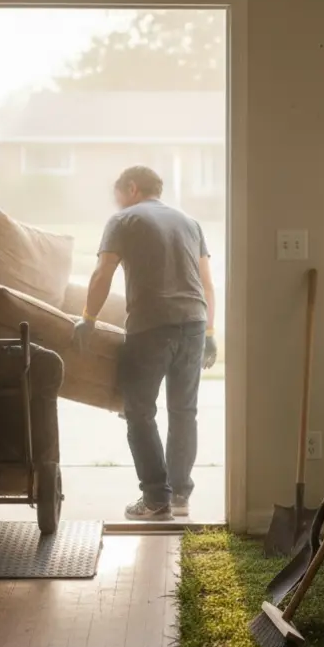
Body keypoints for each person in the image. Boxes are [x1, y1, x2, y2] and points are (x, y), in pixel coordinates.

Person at [73, 166, 218, 521]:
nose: (117, 201)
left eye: (118, 193)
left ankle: (155, 498)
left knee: (139, 412)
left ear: (132, 188)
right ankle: (180, 493)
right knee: (184, 411)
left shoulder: (123, 220)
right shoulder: (189, 222)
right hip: (195, 322)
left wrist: (88, 318)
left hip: (151, 326)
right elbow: (207, 283)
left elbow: (102, 273)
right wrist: (211, 334)